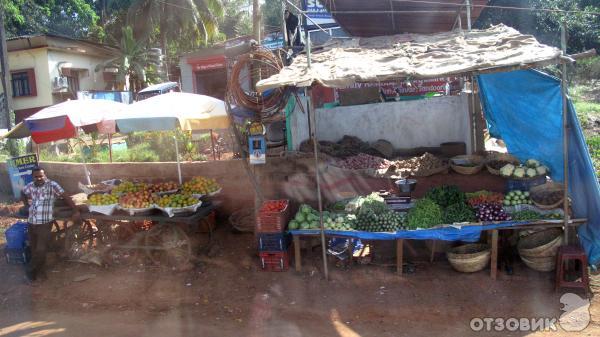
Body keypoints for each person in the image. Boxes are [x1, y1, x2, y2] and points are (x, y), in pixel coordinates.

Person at [21, 167, 80, 283]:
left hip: (45, 222)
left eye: (41, 176)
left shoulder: (52, 185)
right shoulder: (30, 186)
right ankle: (38, 273)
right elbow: (22, 192)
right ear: (33, 177)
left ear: (45, 175)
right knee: (34, 249)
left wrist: (75, 210)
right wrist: (26, 205)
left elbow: (65, 196)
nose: (39, 178)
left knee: (41, 249)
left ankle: (29, 270)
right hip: (32, 221)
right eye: (36, 176)